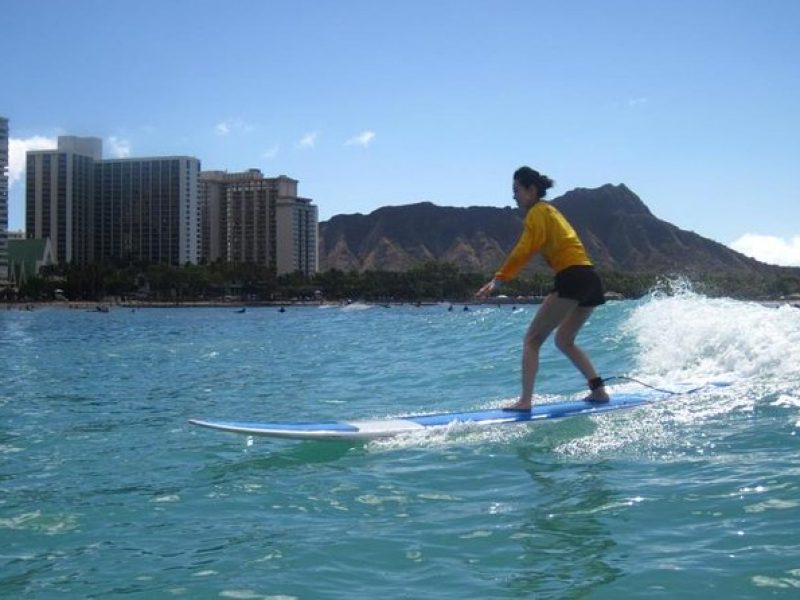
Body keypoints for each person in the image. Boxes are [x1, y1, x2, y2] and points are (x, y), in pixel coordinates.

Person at [476, 166, 609, 410]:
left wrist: (499, 279)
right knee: (564, 340)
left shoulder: (537, 212)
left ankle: (525, 401)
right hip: (589, 277)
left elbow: (525, 248)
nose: (513, 196)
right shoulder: (551, 211)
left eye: (516, 190)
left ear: (531, 190)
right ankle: (598, 390)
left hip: (572, 276)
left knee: (532, 340)